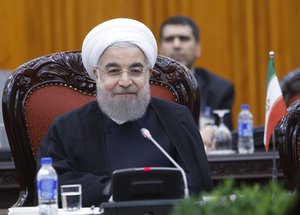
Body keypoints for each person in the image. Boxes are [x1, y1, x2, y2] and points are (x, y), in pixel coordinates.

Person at [37, 18, 213, 207]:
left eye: (135, 70)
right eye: (113, 71)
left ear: (149, 73)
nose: (125, 81)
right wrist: (115, 188)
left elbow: (200, 184)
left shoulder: (177, 119)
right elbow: (53, 187)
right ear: (97, 75)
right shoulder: (66, 128)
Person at [159, 16, 235, 130]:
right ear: (160, 48)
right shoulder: (145, 85)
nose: (176, 45)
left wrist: (213, 132)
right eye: (169, 39)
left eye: (184, 39)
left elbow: (225, 139)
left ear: (197, 48)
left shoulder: (219, 89)